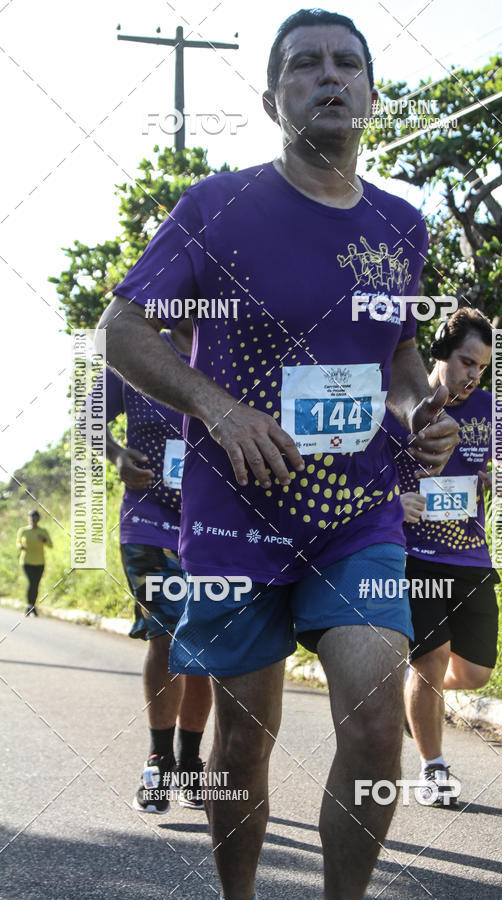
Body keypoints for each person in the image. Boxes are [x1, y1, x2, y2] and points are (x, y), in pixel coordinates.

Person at [98, 9, 459, 898]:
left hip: (356, 518)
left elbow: (399, 357)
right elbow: (121, 327)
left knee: (376, 725)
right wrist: (216, 410)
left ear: (372, 93)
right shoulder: (215, 206)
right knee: (244, 744)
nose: (328, 76)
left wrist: (417, 413)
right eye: (305, 65)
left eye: (347, 63)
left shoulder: (402, 225)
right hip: (233, 524)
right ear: (272, 99)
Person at [100, 319, 213, 814]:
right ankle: (159, 759)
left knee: (205, 644)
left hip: (216, 526)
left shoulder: (232, 352)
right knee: (166, 635)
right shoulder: (137, 353)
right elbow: (90, 420)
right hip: (149, 521)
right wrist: (118, 455)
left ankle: (190, 762)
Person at [390, 308, 498, 808]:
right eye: (466, 362)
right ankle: (434, 768)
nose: (473, 375)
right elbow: (364, 471)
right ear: (440, 354)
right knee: (429, 659)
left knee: (475, 672)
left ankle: (414, 700)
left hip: (471, 557)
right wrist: (393, 503)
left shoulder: (492, 409)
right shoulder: (403, 405)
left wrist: (496, 477)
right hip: (416, 554)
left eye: (482, 367)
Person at [17, 510, 52, 616]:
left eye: (36, 519)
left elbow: (50, 545)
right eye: (32, 519)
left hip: (40, 562)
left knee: (36, 584)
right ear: (29, 519)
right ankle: (29, 605)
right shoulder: (23, 531)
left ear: (39, 520)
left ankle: (32, 606)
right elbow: (18, 542)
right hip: (26, 562)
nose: (34, 521)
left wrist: (44, 539)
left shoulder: (43, 531)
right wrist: (20, 546)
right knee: (31, 583)